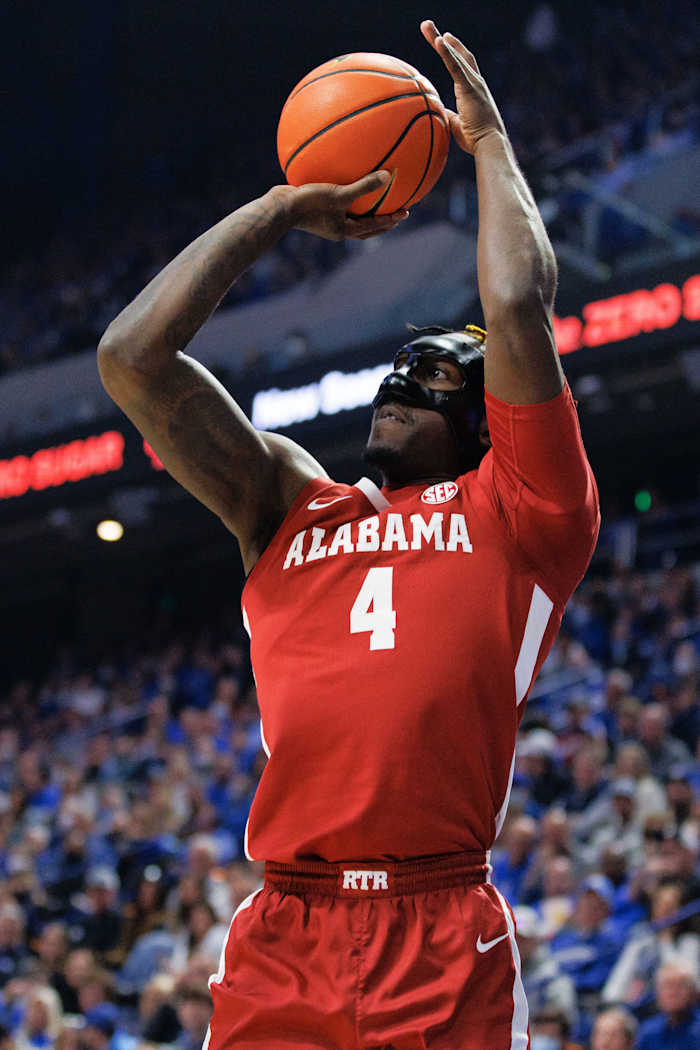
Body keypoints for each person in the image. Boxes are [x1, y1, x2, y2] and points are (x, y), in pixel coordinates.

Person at [97, 19, 599, 1050]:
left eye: (435, 378)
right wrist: (280, 209)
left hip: (441, 922)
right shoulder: (288, 501)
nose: (401, 383)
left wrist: (488, 142)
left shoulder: (523, 514)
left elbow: (512, 301)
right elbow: (131, 359)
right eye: (397, 371)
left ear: (480, 426)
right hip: (287, 924)